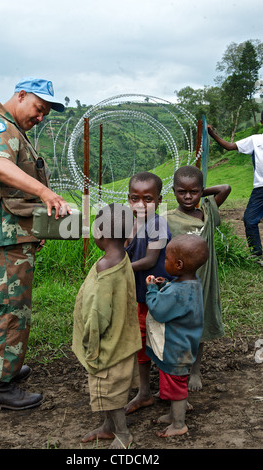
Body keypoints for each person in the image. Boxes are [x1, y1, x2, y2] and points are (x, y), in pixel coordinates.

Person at [0, 77, 71, 410]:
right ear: (21, 95)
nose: (40, 117)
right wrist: (45, 192)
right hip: (1, 234)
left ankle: (5, 365)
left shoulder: (13, 130)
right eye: (39, 108)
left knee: (13, 307)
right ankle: (0, 386)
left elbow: (14, 194)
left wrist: (33, 228)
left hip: (13, 232)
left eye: (45, 114)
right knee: (8, 309)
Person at [72, 203, 142, 449]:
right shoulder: (123, 258)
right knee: (109, 388)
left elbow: (99, 313)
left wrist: (92, 343)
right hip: (122, 337)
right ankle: (107, 427)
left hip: (107, 344)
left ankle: (123, 433)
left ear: (98, 233)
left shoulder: (105, 267)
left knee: (109, 391)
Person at [167, 165, 231, 391]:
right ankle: (176, 371)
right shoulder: (169, 220)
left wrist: (199, 193)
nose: (187, 196)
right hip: (181, 285)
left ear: (201, 191)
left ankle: (195, 370)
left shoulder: (208, 211)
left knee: (200, 327)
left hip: (205, 282)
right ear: (173, 191)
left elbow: (225, 187)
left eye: (193, 192)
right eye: (181, 191)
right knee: (178, 327)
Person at [145, 234, 209, 438]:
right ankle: (174, 414)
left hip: (174, 349)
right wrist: (165, 286)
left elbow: (159, 311)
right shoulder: (192, 284)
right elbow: (178, 300)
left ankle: (179, 423)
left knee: (176, 387)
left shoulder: (177, 292)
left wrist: (153, 290)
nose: (164, 262)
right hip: (184, 346)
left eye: (166, 259)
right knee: (174, 383)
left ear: (179, 265)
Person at [124, 171, 172, 414]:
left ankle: (172, 394)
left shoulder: (158, 225)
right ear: (129, 199)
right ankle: (144, 393)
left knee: (163, 344)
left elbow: (150, 258)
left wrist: (118, 269)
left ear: (159, 200)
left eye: (148, 198)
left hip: (161, 297)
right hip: (141, 298)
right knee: (141, 344)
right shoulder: (132, 224)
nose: (141, 204)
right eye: (135, 198)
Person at [208, 118, 263, 265]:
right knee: (250, 219)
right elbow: (229, 146)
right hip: (261, 188)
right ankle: (256, 255)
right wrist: (212, 134)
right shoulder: (255, 140)